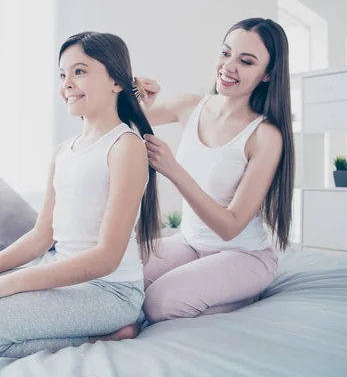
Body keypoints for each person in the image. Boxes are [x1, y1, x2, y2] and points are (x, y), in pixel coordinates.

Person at [0, 31, 161, 358]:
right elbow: (42, 235)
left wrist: (11, 284)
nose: (67, 83)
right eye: (63, 74)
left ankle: (113, 334)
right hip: (61, 273)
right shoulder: (62, 151)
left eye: (79, 71)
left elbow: (107, 258)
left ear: (116, 82)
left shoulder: (125, 147)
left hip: (109, 291)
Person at [91, 17, 294, 342]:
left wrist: (173, 170)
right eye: (226, 53)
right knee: (117, 273)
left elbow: (230, 227)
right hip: (189, 242)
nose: (229, 67)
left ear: (268, 74)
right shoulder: (190, 106)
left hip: (243, 255)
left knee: (157, 303)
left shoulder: (266, 136)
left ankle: (240, 296)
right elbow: (124, 117)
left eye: (246, 61)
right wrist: (137, 92)